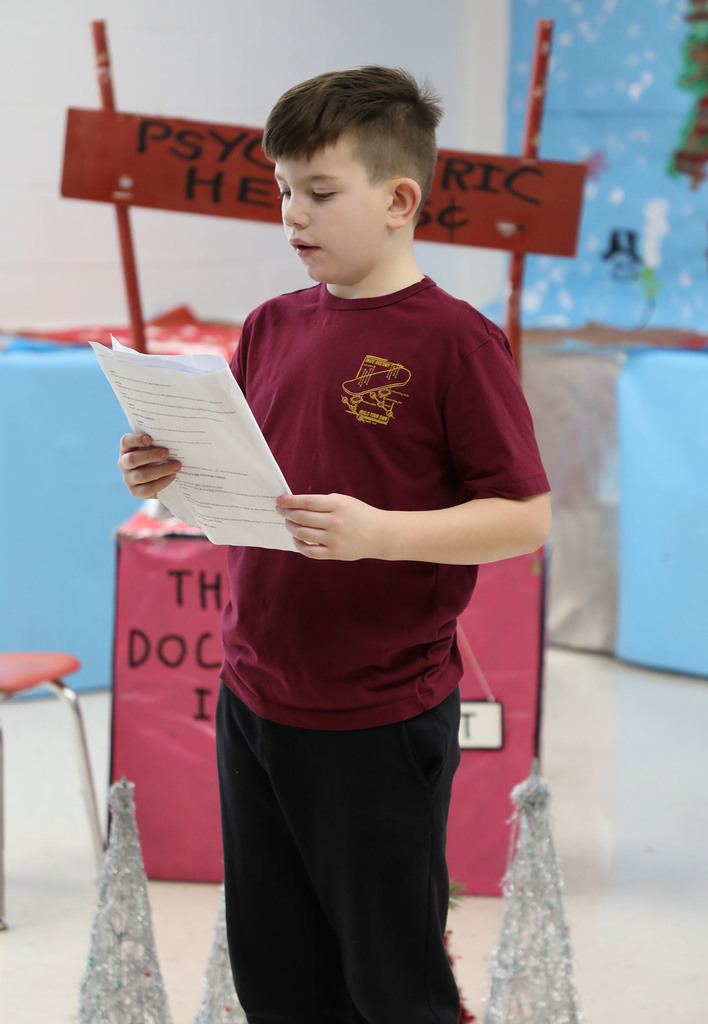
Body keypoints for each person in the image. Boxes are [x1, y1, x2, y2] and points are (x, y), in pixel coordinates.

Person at [118, 66, 551, 1024]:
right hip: (255, 696)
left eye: (319, 193)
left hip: (377, 714)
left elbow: (525, 515)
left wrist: (380, 533)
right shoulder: (271, 327)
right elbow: (250, 488)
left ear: (400, 200)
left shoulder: (455, 342)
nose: (291, 215)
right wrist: (168, 473)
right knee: (276, 973)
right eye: (281, 191)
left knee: (391, 982)